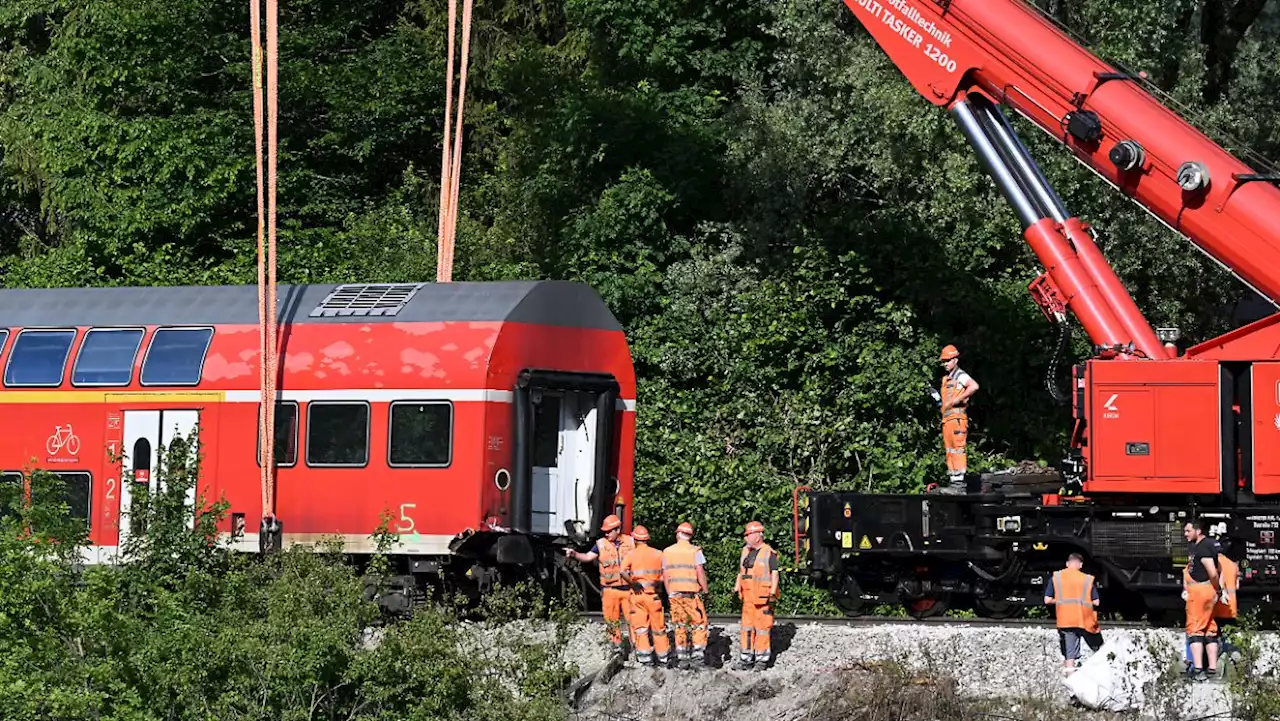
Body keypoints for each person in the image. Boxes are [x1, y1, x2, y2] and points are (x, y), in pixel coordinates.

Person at [565, 514, 635, 657]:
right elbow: (587, 557)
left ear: (618, 529)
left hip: (628, 590)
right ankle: (616, 648)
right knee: (611, 620)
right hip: (609, 590)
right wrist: (575, 554)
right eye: (605, 531)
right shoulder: (601, 544)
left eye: (609, 531)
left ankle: (636, 647)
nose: (607, 534)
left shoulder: (631, 542)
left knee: (633, 620)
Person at [1043, 552, 1103, 673]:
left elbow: (1047, 600)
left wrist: (1060, 600)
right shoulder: (1087, 579)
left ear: (1067, 564)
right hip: (1085, 620)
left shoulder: (1056, 577)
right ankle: (1102, 671)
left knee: (1070, 655)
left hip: (1066, 619)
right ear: (1080, 565)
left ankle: (1070, 682)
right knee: (1099, 649)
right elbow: (1096, 602)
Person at [620, 525, 671, 667]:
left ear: (635, 539)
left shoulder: (631, 554)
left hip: (638, 596)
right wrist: (658, 585)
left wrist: (633, 583)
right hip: (653, 597)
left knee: (641, 628)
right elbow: (664, 575)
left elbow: (622, 572)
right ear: (647, 539)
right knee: (659, 628)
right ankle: (663, 658)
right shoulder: (658, 554)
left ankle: (644, 658)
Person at [662, 521, 709, 670]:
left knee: (680, 624)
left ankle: (682, 659)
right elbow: (700, 572)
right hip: (691, 593)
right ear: (690, 536)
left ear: (677, 534)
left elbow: (665, 575)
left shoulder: (667, 552)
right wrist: (705, 590)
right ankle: (697, 658)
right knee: (699, 624)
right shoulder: (695, 551)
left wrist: (670, 592)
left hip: (675, 593)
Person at [733, 520, 779, 671]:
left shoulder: (768, 553)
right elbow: (742, 572)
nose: (746, 538)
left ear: (758, 535)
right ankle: (745, 659)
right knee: (746, 628)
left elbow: (774, 574)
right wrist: (736, 588)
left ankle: (761, 660)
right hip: (748, 599)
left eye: (748, 535)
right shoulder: (745, 552)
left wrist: (772, 593)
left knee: (762, 629)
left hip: (762, 599)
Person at [1183, 518, 1222, 681]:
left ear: (1198, 531)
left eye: (1188, 531)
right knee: (1209, 628)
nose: (1185, 534)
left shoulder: (1203, 548)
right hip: (1207, 590)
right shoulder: (1205, 546)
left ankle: (1198, 669)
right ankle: (1212, 669)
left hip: (1200, 591)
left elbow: (1212, 572)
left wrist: (1217, 589)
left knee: (1194, 630)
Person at [937, 344, 978, 494]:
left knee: (957, 449)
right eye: (944, 361)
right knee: (950, 450)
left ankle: (960, 485)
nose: (945, 364)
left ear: (955, 359)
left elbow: (974, 386)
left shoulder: (960, 375)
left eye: (948, 360)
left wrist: (957, 400)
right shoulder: (948, 379)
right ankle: (954, 482)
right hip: (948, 420)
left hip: (957, 418)